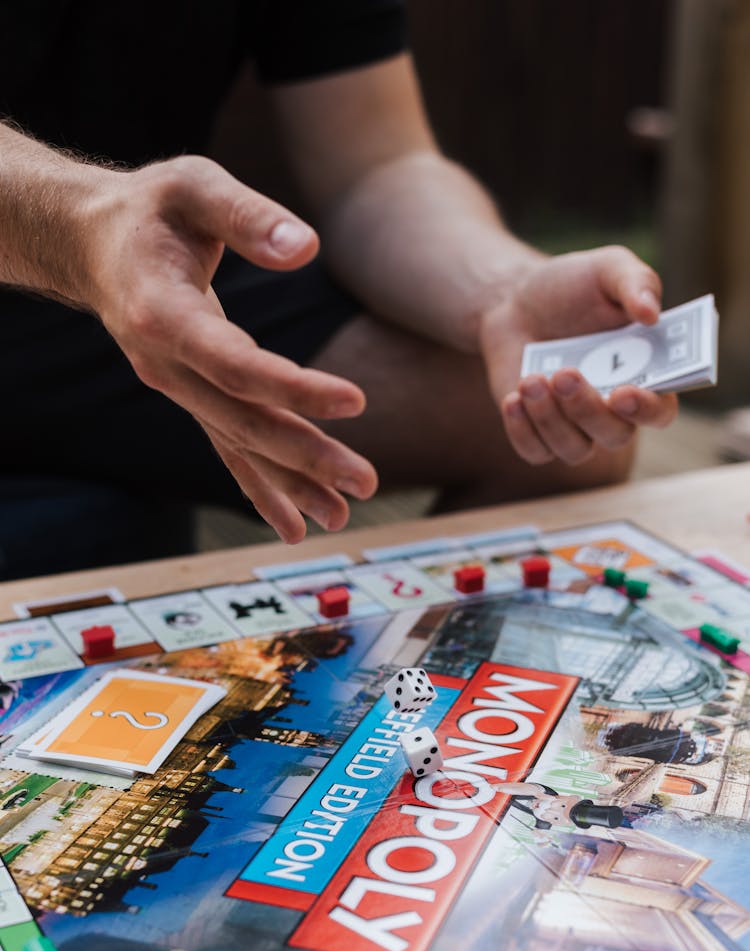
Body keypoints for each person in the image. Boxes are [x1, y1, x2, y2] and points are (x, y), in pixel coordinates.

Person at [0, 1, 677, 580]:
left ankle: (403, 715)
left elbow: (376, 164)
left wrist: (503, 291)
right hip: (74, 253)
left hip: (160, 278)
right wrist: (81, 224)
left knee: (553, 411)